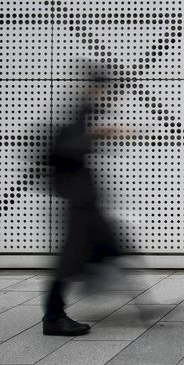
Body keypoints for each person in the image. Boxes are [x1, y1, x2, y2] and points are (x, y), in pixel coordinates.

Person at [44, 68, 120, 336]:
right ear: (92, 87)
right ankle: (53, 317)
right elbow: (64, 149)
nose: (106, 94)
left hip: (84, 198)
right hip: (76, 199)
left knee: (110, 246)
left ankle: (144, 305)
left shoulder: (84, 111)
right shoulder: (73, 112)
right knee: (70, 260)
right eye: (104, 88)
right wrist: (94, 135)